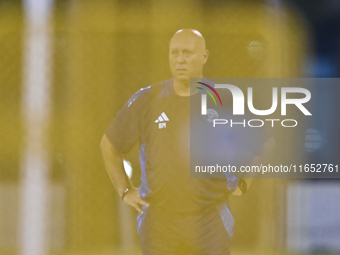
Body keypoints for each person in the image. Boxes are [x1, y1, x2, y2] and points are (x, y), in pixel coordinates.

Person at [100, 29, 274, 255]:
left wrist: (245, 182)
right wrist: (125, 190)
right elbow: (109, 145)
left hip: (210, 219)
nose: (180, 59)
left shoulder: (225, 99)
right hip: (159, 221)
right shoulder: (147, 100)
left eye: (188, 53)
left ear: (204, 56)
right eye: (175, 53)